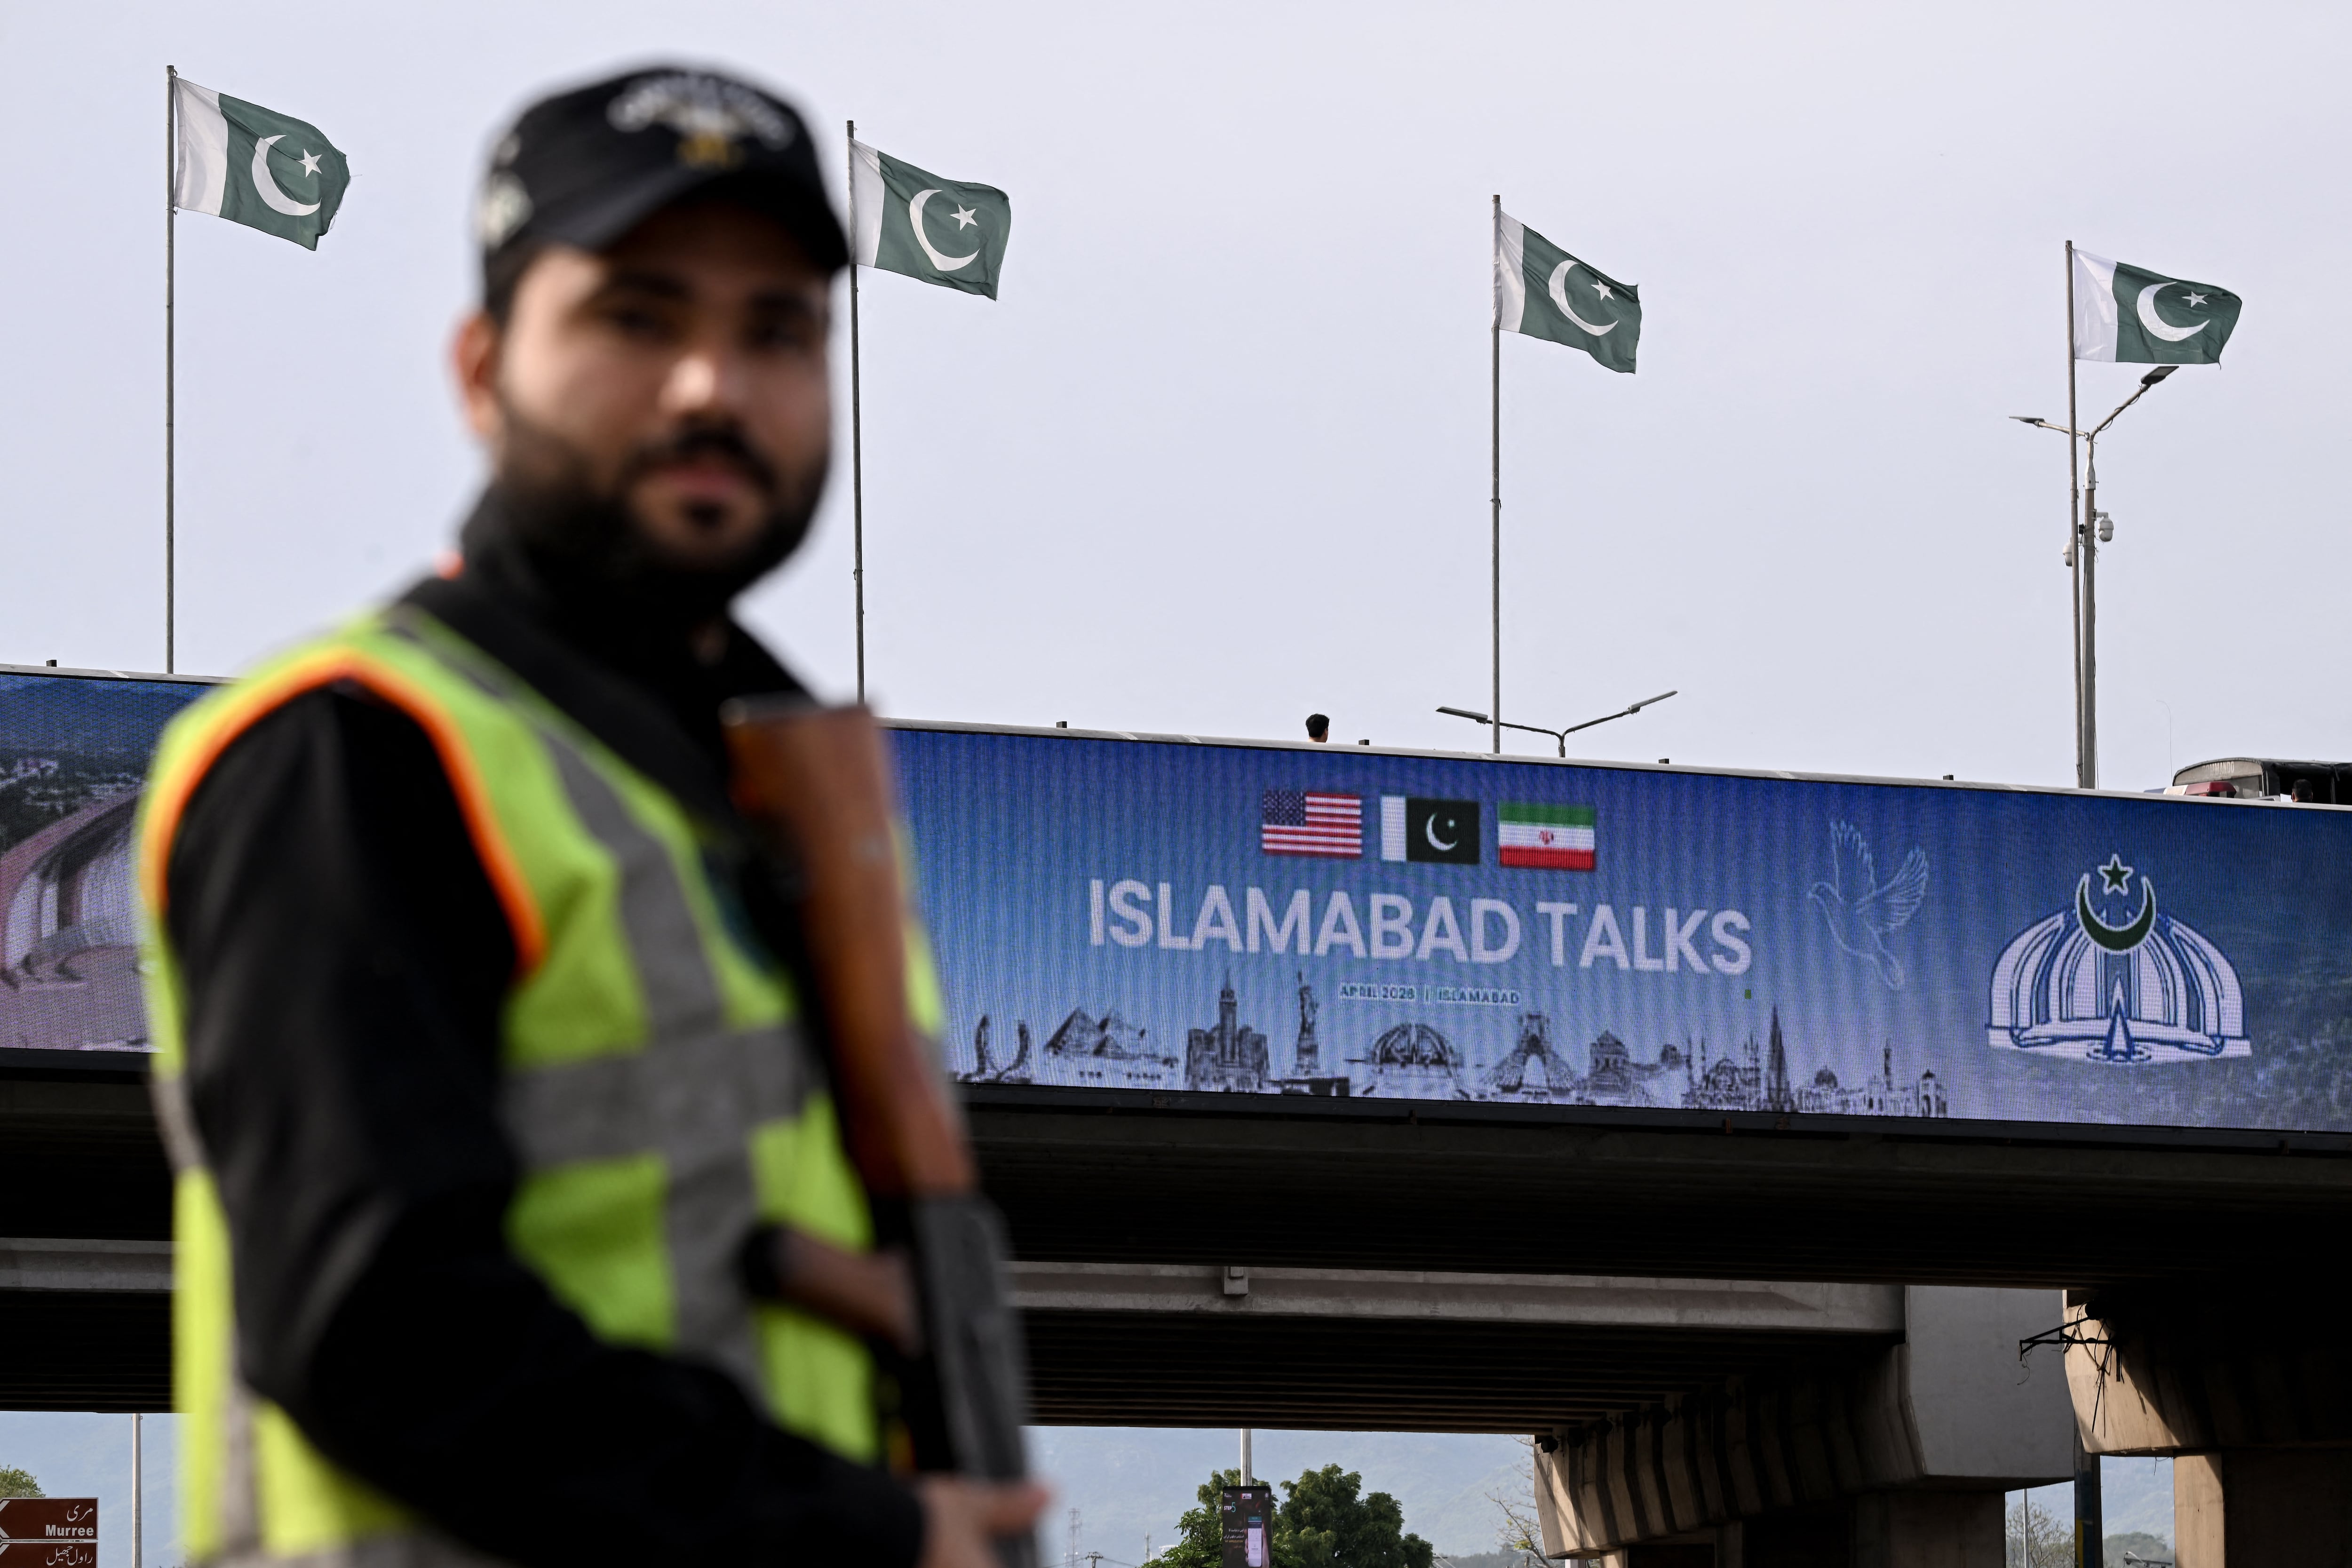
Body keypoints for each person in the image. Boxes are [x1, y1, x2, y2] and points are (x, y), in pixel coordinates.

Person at [140, 66, 1045, 1568]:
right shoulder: (358, 752)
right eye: (639, 316)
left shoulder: (756, 802)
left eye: (778, 332)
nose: (713, 385)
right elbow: (384, 1329)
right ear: (483, 370)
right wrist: (860, 1531)